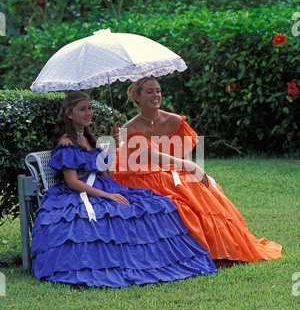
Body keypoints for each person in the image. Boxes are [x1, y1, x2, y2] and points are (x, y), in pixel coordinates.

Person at [30, 91, 218, 287]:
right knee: (116, 212)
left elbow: (107, 175)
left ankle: (152, 261)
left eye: (90, 108)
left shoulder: (87, 138)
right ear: (69, 114)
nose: (88, 113)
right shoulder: (66, 142)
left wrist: (112, 144)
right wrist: (108, 195)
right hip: (80, 193)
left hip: (104, 186)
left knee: (159, 204)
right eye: (82, 109)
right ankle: (119, 264)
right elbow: (73, 183)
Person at [113, 76, 282, 264]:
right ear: (137, 97)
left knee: (202, 193)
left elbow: (184, 157)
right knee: (174, 200)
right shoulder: (129, 128)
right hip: (146, 178)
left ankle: (218, 250)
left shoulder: (175, 121)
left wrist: (190, 170)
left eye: (158, 90)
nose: (156, 95)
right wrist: (190, 166)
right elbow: (150, 156)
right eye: (150, 91)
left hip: (175, 174)